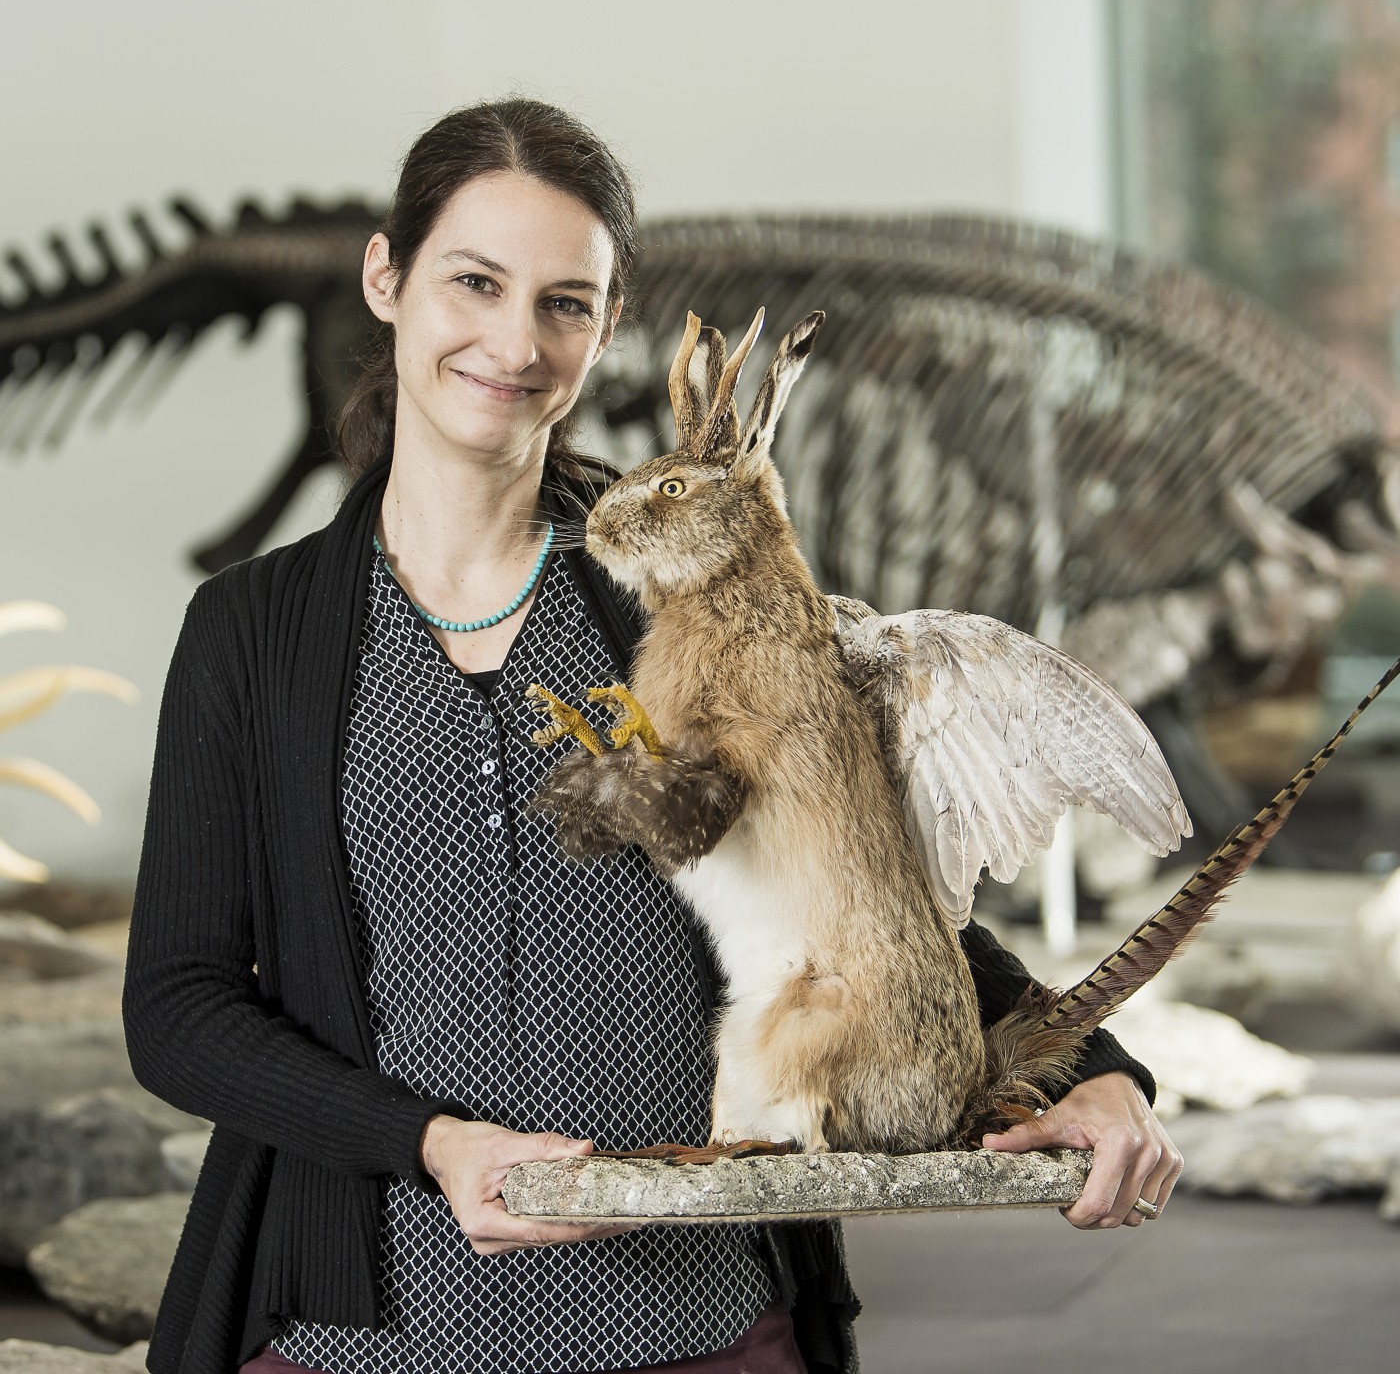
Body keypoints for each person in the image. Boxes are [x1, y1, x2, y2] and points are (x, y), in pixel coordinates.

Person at [123, 98, 1183, 1374]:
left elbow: (862, 894)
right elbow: (178, 1007)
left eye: (564, 302)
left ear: (607, 326)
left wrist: (1098, 1065)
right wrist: (429, 1141)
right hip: (352, 1329)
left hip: (695, 1324)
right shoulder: (255, 631)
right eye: (474, 281)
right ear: (385, 278)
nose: (514, 341)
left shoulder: (683, 603)